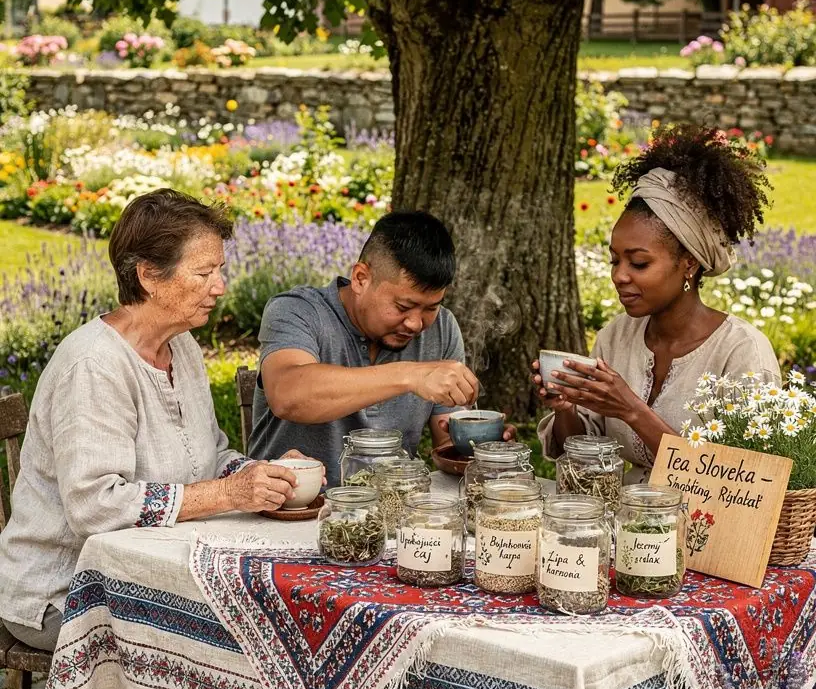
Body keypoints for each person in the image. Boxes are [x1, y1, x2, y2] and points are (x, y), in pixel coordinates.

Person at [0, 187, 314, 689]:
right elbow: (96, 507)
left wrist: (256, 475)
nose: (220, 286)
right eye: (203, 272)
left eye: (219, 270)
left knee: (260, 616)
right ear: (149, 275)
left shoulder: (181, 350)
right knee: (217, 636)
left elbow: (206, 456)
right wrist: (226, 497)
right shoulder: (93, 364)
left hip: (151, 572)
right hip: (57, 592)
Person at [536, 125, 781, 478]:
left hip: (705, 527)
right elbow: (581, 456)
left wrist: (632, 410)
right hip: (621, 521)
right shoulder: (616, 338)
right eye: (614, 260)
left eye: (639, 263)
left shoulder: (742, 353)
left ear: (689, 264)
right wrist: (564, 408)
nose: (620, 275)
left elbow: (745, 484)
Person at [249, 210, 497, 486]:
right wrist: (410, 376)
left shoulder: (442, 328)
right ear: (360, 278)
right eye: (402, 307)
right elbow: (288, 395)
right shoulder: (297, 310)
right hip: (291, 510)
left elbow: (448, 442)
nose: (416, 323)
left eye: (431, 307)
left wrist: (481, 446)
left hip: (391, 508)